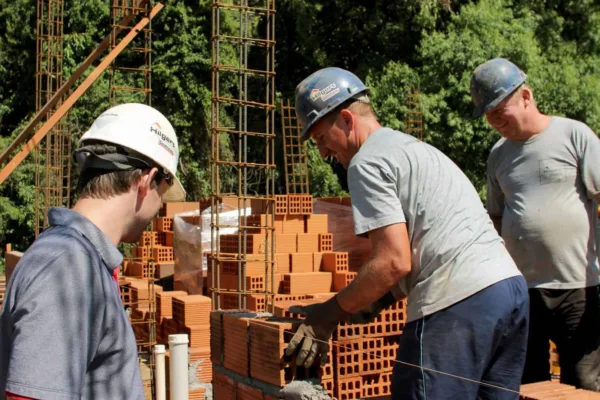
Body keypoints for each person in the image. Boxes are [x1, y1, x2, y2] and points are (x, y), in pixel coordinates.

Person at [285, 67, 529, 399]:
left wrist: (327, 315)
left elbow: (392, 262)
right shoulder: (415, 150)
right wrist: (370, 303)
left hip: (457, 304)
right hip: (508, 293)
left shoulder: (366, 161)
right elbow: (424, 250)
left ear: (345, 118)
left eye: (321, 139)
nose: (324, 153)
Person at [0, 103, 186, 399]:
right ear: (146, 180)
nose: (160, 206)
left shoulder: (82, 260)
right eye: (162, 192)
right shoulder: (67, 266)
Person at [471, 57, 600, 391]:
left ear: (525, 96)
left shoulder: (574, 135)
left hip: (578, 287)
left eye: (500, 111)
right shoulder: (498, 155)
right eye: (488, 115)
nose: (494, 121)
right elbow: (496, 219)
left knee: (584, 382)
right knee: (529, 384)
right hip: (523, 290)